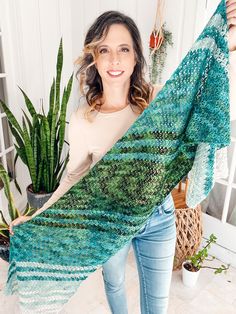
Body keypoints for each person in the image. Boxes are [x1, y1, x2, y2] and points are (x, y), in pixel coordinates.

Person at [9, 1, 236, 313]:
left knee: (156, 306)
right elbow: (73, 177)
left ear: (135, 57)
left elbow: (200, 88)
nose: (114, 59)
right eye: (104, 50)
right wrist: (37, 215)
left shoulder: (157, 101)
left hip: (159, 219)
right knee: (114, 285)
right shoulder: (82, 120)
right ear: (94, 58)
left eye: (123, 49)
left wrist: (225, 43)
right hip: (111, 220)